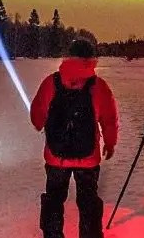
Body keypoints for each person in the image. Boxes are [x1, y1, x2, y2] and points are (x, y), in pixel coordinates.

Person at [29, 38, 119, 238]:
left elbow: (36, 116)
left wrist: (41, 123)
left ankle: (52, 235)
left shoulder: (51, 83)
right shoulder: (99, 86)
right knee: (88, 202)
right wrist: (110, 143)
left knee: (54, 199)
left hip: (55, 156)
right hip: (88, 158)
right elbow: (110, 118)